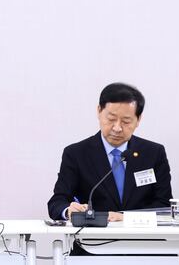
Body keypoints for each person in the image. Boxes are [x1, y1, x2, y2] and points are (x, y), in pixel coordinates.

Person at [48, 82, 172, 223]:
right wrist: (68, 211)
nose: (117, 128)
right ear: (99, 111)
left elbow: (164, 206)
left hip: (142, 235)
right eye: (111, 119)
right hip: (93, 236)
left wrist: (126, 218)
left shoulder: (154, 153)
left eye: (126, 121)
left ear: (138, 120)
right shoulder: (76, 154)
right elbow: (57, 202)